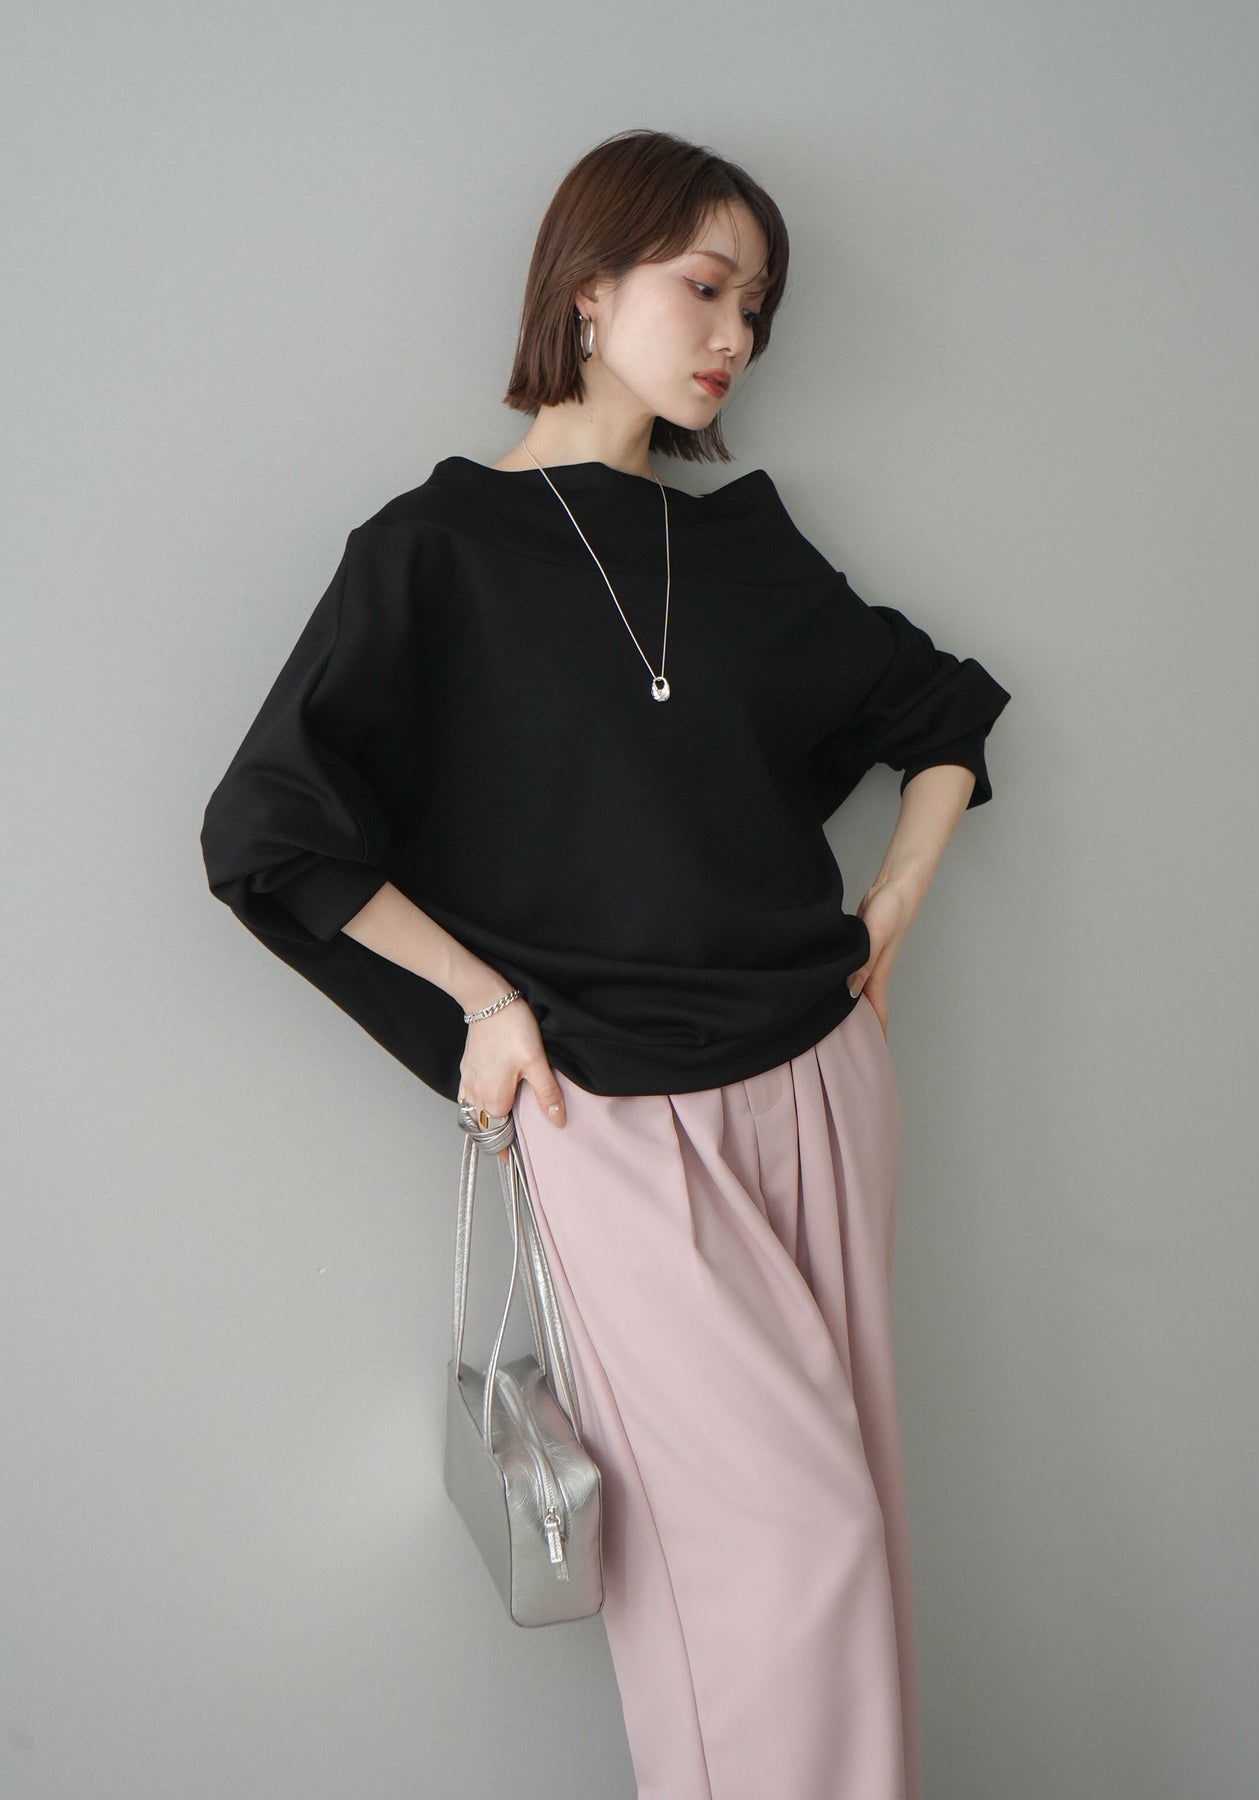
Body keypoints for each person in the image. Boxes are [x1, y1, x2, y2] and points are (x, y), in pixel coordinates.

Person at [200, 126, 1010, 1800]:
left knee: (842, 1544)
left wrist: (892, 909)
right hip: (614, 1118)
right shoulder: (435, 549)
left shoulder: (744, 548)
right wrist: (486, 1002)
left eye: (758, 307)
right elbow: (270, 829)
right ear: (587, 289)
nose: (737, 335)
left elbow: (944, 713)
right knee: (796, 1546)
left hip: (822, 1082)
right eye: (706, 287)